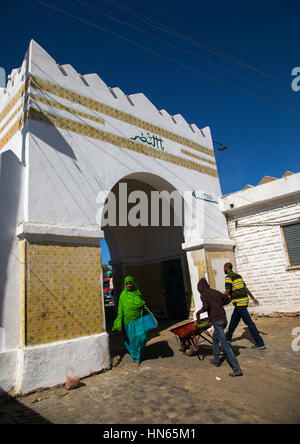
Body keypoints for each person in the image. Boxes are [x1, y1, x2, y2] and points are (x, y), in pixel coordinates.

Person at [196, 278, 243, 377]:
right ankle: (216, 361)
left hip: (217, 321)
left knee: (225, 344)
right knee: (215, 339)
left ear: (201, 287)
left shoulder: (204, 294)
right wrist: (219, 304)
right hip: (223, 319)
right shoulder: (215, 292)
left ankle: (236, 369)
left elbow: (206, 306)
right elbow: (228, 299)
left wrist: (198, 312)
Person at [223, 262, 265, 350]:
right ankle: (227, 338)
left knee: (249, 323)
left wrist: (219, 298)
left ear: (226, 268)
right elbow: (245, 288)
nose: (223, 270)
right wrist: (253, 298)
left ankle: (260, 343)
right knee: (233, 322)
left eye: (224, 268)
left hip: (239, 303)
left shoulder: (228, 278)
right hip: (244, 302)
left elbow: (227, 292)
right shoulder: (238, 276)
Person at [112, 276, 147, 367]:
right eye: (127, 283)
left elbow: (142, 302)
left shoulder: (137, 292)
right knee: (133, 340)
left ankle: (138, 351)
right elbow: (120, 311)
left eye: (130, 283)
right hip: (128, 322)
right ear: (125, 284)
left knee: (142, 337)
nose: (129, 285)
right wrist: (119, 324)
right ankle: (135, 358)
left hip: (139, 319)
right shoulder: (122, 296)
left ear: (133, 283)